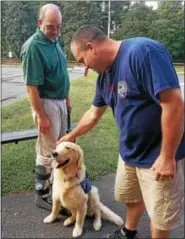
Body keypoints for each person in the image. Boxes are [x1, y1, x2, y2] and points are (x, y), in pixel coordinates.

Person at [57, 25, 185, 239]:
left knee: (160, 213)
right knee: (130, 196)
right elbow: (93, 113)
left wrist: (167, 156)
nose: (85, 68)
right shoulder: (105, 77)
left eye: (82, 61)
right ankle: (129, 231)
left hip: (158, 155)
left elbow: (174, 105)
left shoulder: (143, 53)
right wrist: (71, 135)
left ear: (91, 47)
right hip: (130, 152)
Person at [20, 4, 71, 213]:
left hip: (59, 101)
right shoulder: (33, 47)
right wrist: (41, 116)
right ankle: (42, 194)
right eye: (51, 27)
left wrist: (66, 98)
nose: (56, 32)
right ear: (39, 23)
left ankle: (57, 191)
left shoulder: (54, 41)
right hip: (46, 103)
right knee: (48, 151)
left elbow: (61, 72)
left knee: (60, 148)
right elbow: (31, 87)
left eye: (58, 27)